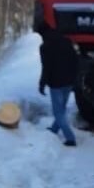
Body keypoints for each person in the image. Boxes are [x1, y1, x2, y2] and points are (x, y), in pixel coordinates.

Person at [35, 18, 79, 147]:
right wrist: (75, 78)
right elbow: (75, 60)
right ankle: (54, 129)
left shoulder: (45, 47)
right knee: (62, 109)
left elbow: (46, 67)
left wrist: (42, 84)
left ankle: (70, 138)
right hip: (69, 81)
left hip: (56, 83)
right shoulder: (66, 41)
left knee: (58, 112)